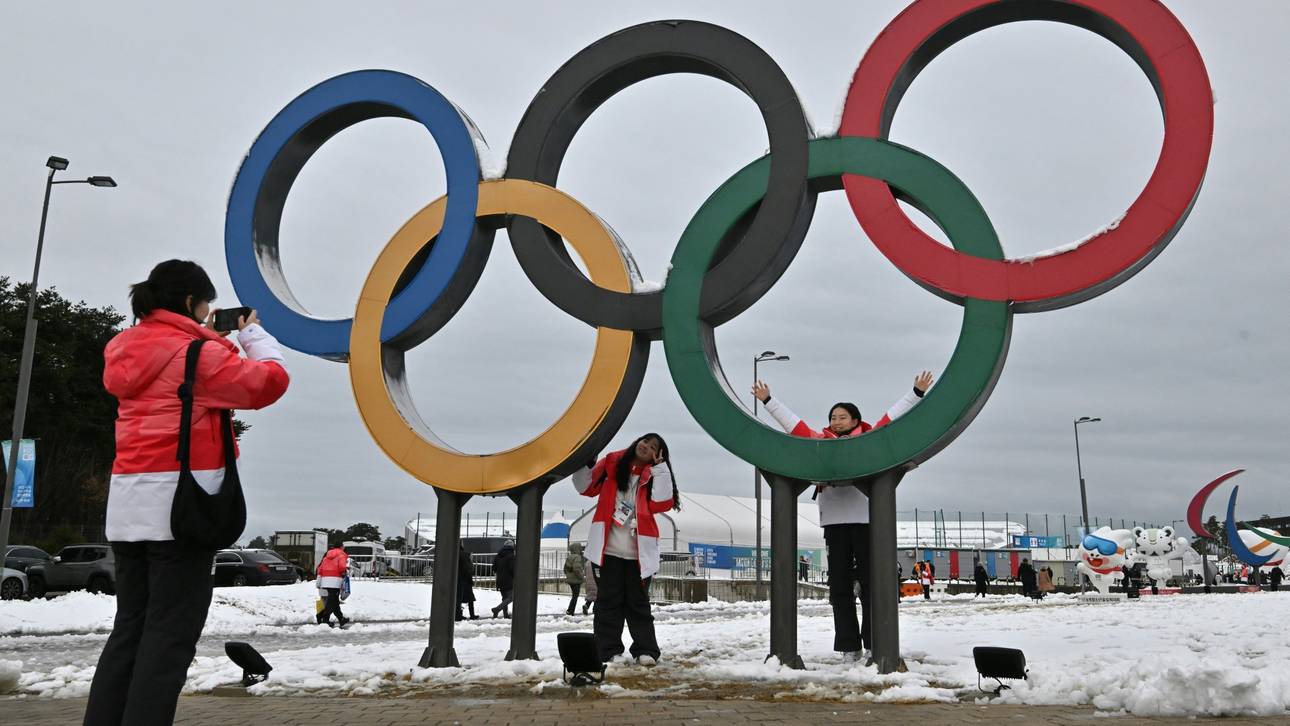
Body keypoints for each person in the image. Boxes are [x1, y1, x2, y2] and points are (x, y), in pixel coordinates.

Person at [85, 260, 289, 726]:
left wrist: (220, 341)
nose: (207, 313)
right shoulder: (197, 355)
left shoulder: (124, 348)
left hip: (128, 508)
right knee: (169, 638)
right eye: (204, 304)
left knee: (130, 632)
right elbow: (268, 382)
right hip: (180, 510)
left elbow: (185, 376)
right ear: (188, 302)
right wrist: (253, 337)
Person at [753, 371, 933, 662]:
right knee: (839, 589)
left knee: (872, 586)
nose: (835, 421)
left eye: (842, 417)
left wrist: (916, 393)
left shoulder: (870, 440)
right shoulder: (820, 444)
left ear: (855, 420)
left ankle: (876, 643)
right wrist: (769, 401)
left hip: (865, 524)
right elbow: (795, 427)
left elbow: (891, 419)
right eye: (833, 417)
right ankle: (849, 647)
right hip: (834, 524)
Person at [572, 433, 679, 665]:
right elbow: (585, 487)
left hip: (638, 555)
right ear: (636, 442)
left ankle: (646, 650)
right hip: (607, 551)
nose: (646, 447)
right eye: (645, 442)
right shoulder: (612, 463)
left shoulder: (653, 476)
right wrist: (586, 461)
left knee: (638, 604)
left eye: (653, 447)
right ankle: (607, 650)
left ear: (657, 455)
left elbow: (662, 503)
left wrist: (661, 469)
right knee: (607, 603)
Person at [316, 545, 351, 627]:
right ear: (341, 547)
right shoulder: (341, 555)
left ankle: (341, 618)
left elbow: (320, 569)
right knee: (332, 602)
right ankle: (323, 618)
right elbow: (342, 567)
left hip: (325, 581)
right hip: (335, 582)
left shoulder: (326, 556)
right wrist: (345, 571)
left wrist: (319, 581)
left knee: (334, 601)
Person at [491, 541, 516, 618]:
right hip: (508, 580)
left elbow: (494, 568)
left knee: (505, 597)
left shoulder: (498, 555)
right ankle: (497, 609)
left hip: (499, 580)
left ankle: (505, 614)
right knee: (512, 597)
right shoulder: (511, 556)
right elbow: (512, 569)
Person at [457, 546, 479, 621]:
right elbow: (469, 568)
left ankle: (458, 614)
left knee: (458, 598)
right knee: (469, 598)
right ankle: (471, 615)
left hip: (458, 579)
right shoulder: (465, 555)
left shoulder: (455, 554)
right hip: (465, 579)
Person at [564, 542, 587, 616]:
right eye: (580, 548)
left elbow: (565, 569)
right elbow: (577, 569)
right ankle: (570, 611)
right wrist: (581, 577)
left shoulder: (569, 557)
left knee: (574, 595)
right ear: (577, 549)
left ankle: (570, 610)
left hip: (570, 580)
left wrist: (569, 575)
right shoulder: (577, 557)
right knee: (575, 596)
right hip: (576, 580)